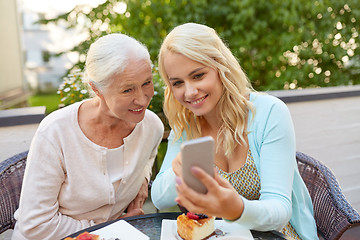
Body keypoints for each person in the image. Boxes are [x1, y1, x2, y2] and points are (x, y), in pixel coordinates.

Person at [151, 23, 318, 240]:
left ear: (221, 66)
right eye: (177, 83)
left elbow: (280, 210)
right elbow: (159, 199)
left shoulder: (269, 113)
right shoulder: (186, 124)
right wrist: (180, 173)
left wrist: (236, 209)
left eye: (198, 75)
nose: (189, 92)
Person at [12, 33, 164, 240]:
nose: (142, 99)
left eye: (146, 83)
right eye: (128, 89)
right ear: (96, 88)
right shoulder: (56, 132)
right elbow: (35, 225)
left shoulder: (151, 126)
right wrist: (110, 228)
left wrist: (141, 183)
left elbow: (148, 156)